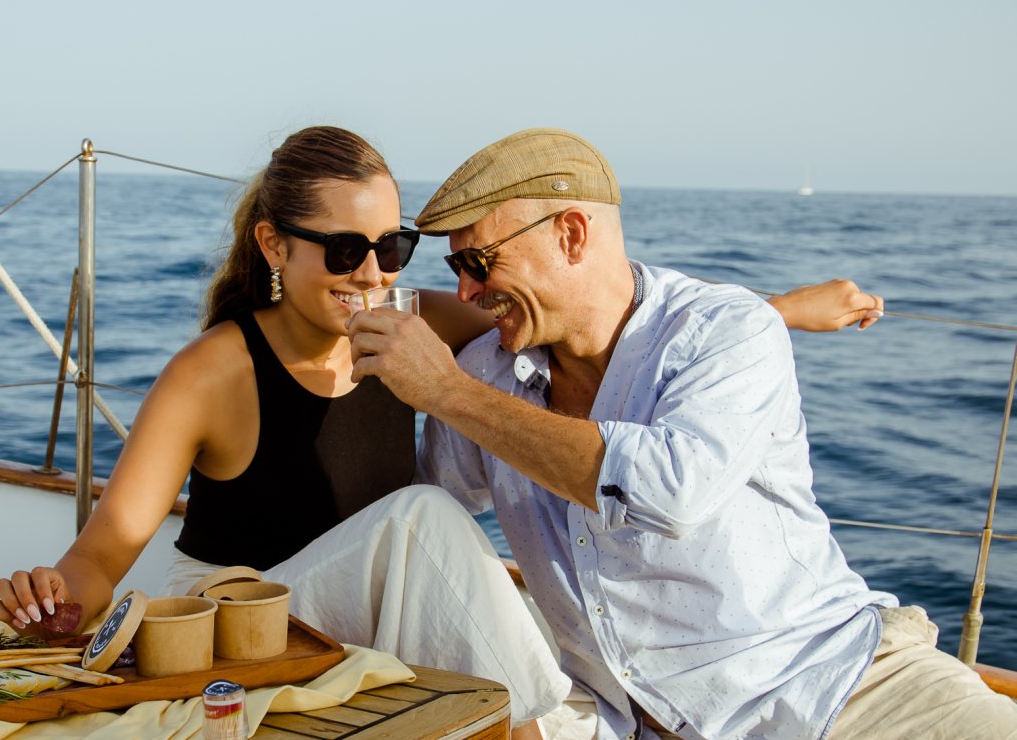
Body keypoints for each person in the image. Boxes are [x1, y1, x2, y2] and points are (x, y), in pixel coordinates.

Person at [0, 126, 889, 738]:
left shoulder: (414, 321)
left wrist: (774, 313)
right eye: (344, 252)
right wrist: (54, 595)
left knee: (456, 553)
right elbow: (106, 550)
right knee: (425, 518)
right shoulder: (214, 371)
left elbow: (588, 331)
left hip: (372, 617)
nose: (373, 274)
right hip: (256, 614)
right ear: (274, 247)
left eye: (395, 247)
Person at [346, 128, 1017, 740]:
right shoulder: (489, 375)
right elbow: (422, 515)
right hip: (624, 720)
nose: (464, 293)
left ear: (572, 235)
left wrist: (445, 391)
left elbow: (666, 489)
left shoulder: (729, 331)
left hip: (838, 693)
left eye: (480, 262)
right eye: (454, 269)